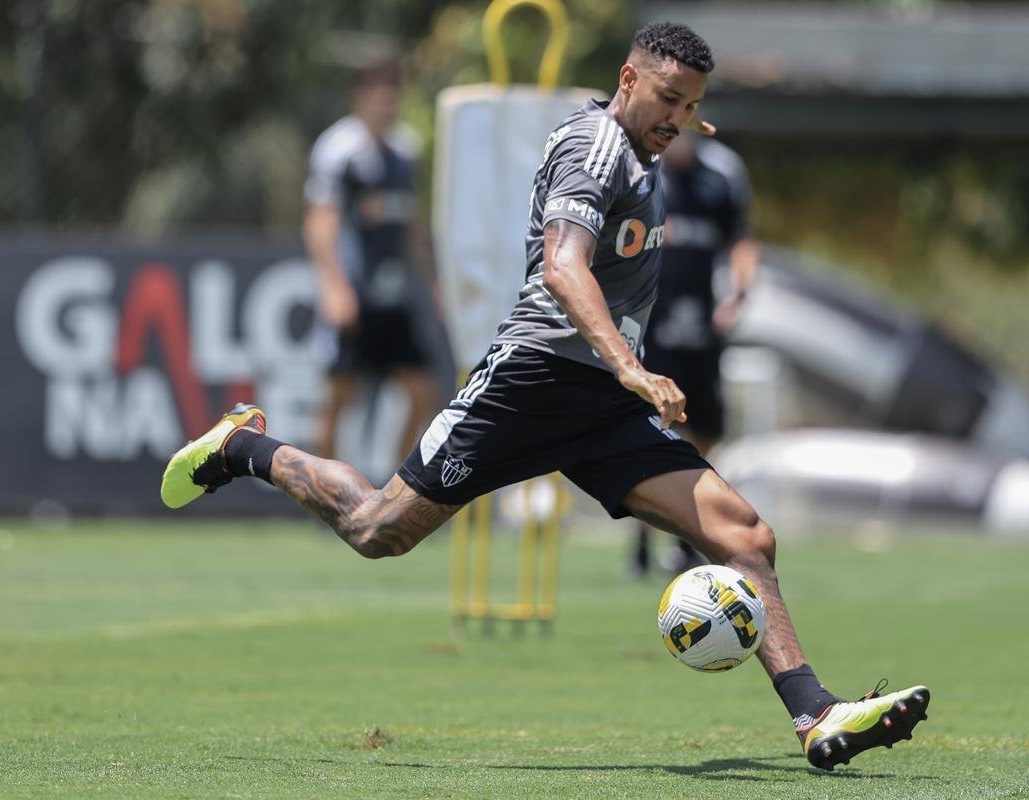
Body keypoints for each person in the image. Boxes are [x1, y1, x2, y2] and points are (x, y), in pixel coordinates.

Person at [161, 22, 929, 772]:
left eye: (691, 105)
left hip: (601, 407)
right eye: (667, 98)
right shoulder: (594, 149)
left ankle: (814, 714)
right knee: (376, 528)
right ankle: (242, 446)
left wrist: (620, 372)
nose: (677, 117)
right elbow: (563, 267)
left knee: (745, 537)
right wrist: (631, 367)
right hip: (532, 383)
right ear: (627, 79)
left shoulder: (643, 149)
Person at [631, 130, 760, 577]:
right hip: (651, 326)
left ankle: (688, 537)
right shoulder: (641, 168)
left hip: (702, 327)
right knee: (649, 426)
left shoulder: (722, 173)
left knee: (703, 431)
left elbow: (740, 239)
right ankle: (642, 539)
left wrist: (738, 294)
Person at [302, 58, 444, 465]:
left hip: (393, 298)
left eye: (393, 93)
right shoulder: (339, 149)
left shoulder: (405, 149)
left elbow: (411, 227)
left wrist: (432, 282)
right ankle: (319, 490)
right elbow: (320, 222)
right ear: (359, 98)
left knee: (422, 392)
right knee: (339, 397)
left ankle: (394, 488)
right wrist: (334, 288)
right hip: (355, 295)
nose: (387, 102)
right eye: (379, 93)